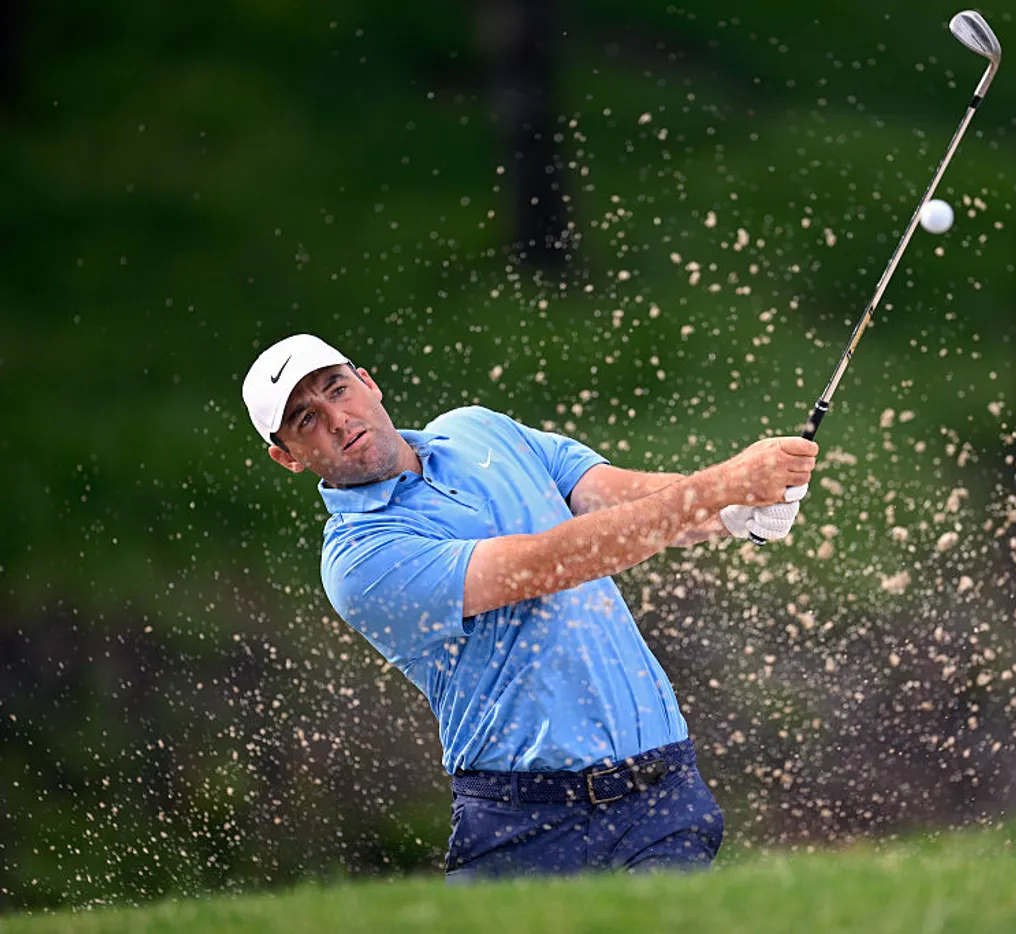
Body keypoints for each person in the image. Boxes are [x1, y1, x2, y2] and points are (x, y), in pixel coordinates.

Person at [241, 333, 817, 881]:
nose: (337, 419)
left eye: (337, 389)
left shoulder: (478, 429)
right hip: (524, 821)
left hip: (660, 793)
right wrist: (720, 486)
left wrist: (732, 513)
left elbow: (612, 498)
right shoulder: (360, 559)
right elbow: (549, 563)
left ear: (368, 383)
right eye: (306, 419)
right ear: (287, 457)